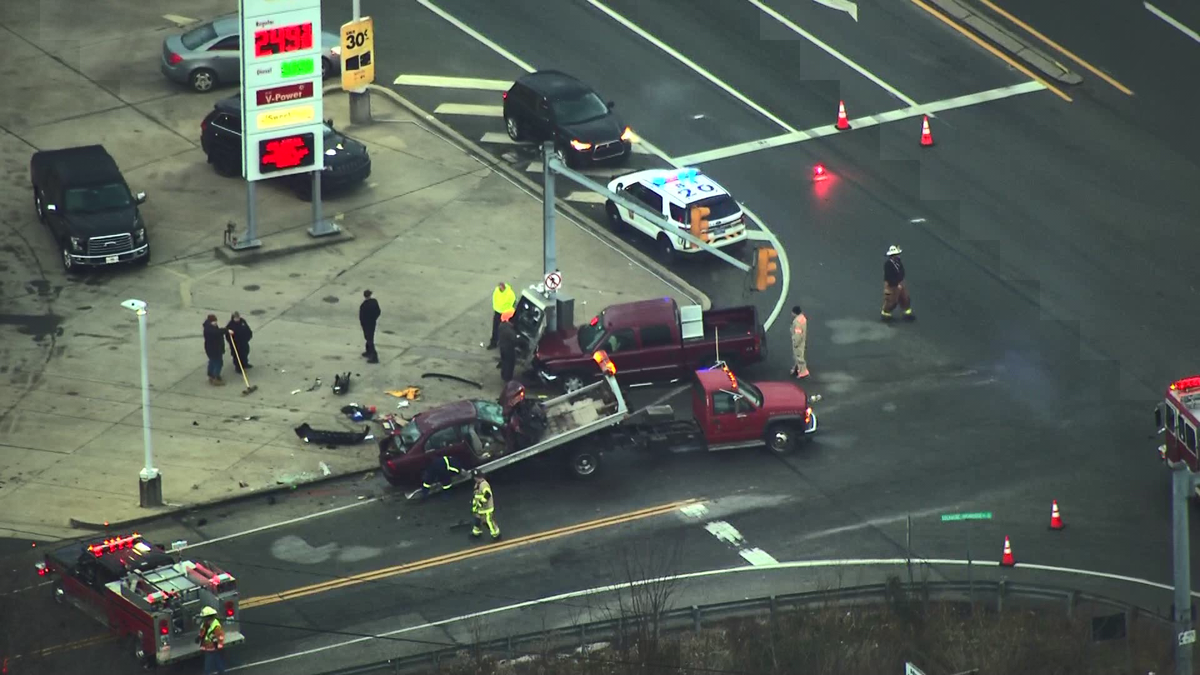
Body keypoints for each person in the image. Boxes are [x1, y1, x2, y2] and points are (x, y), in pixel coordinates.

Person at [881, 245, 915, 321]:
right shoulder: (888, 264)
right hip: (892, 285)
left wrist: (901, 282)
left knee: (905, 299)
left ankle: (907, 314)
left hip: (900, 283)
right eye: (896, 255)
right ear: (892, 256)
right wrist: (896, 284)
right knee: (891, 301)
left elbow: (902, 271)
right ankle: (886, 315)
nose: (898, 256)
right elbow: (888, 276)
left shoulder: (898, 262)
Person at [471, 470, 500, 541]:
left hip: (486, 508)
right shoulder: (478, 484)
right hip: (480, 508)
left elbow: (487, 495)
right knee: (478, 518)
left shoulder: (484, 485)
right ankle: (476, 532)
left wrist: (481, 502)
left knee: (488, 521)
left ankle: (496, 535)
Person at [197, 605, 226, 675]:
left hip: (212, 648)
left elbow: (220, 636)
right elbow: (203, 632)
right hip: (209, 647)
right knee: (217, 661)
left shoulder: (215, 626)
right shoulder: (206, 624)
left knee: (208, 665)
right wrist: (199, 637)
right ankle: (222, 672)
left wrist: (219, 645)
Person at [487, 282, 516, 350]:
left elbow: (512, 302)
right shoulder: (497, 291)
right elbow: (495, 299)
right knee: (495, 328)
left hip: (506, 314)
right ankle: (493, 343)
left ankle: (503, 344)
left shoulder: (509, 293)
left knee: (504, 330)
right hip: (498, 312)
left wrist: (505, 310)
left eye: (501, 288)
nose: (500, 289)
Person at [203, 315, 226, 386]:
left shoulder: (210, 327)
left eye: (216, 321)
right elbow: (217, 332)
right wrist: (226, 330)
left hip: (212, 349)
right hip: (214, 349)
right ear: (210, 322)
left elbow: (218, 331)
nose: (215, 323)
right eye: (214, 322)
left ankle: (210, 374)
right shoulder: (209, 330)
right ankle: (216, 377)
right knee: (218, 363)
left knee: (212, 361)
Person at [359, 290, 381, 363]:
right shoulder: (374, 302)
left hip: (367, 324)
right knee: (370, 338)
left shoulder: (364, 305)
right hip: (372, 323)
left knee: (369, 339)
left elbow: (361, 317)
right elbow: (378, 311)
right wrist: (374, 319)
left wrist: (363, 324)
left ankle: (374, 357)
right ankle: (368, 351)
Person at [497, 310, 518, 383]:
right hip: (508, 348)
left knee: (504, 361)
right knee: (510, 363)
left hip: (502, 347)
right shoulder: (509, 329)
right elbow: (514, 339)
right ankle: (507, 378)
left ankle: (504, 375)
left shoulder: (502, 325)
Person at [789, 305, 809, 379]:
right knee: (797, 356)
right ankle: (796, 369)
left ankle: (803, 372)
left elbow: (798, 333)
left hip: (798, 341)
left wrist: (795, 342)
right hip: (802, 339)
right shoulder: (802, 318)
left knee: (799, 356)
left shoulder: (797, 322)